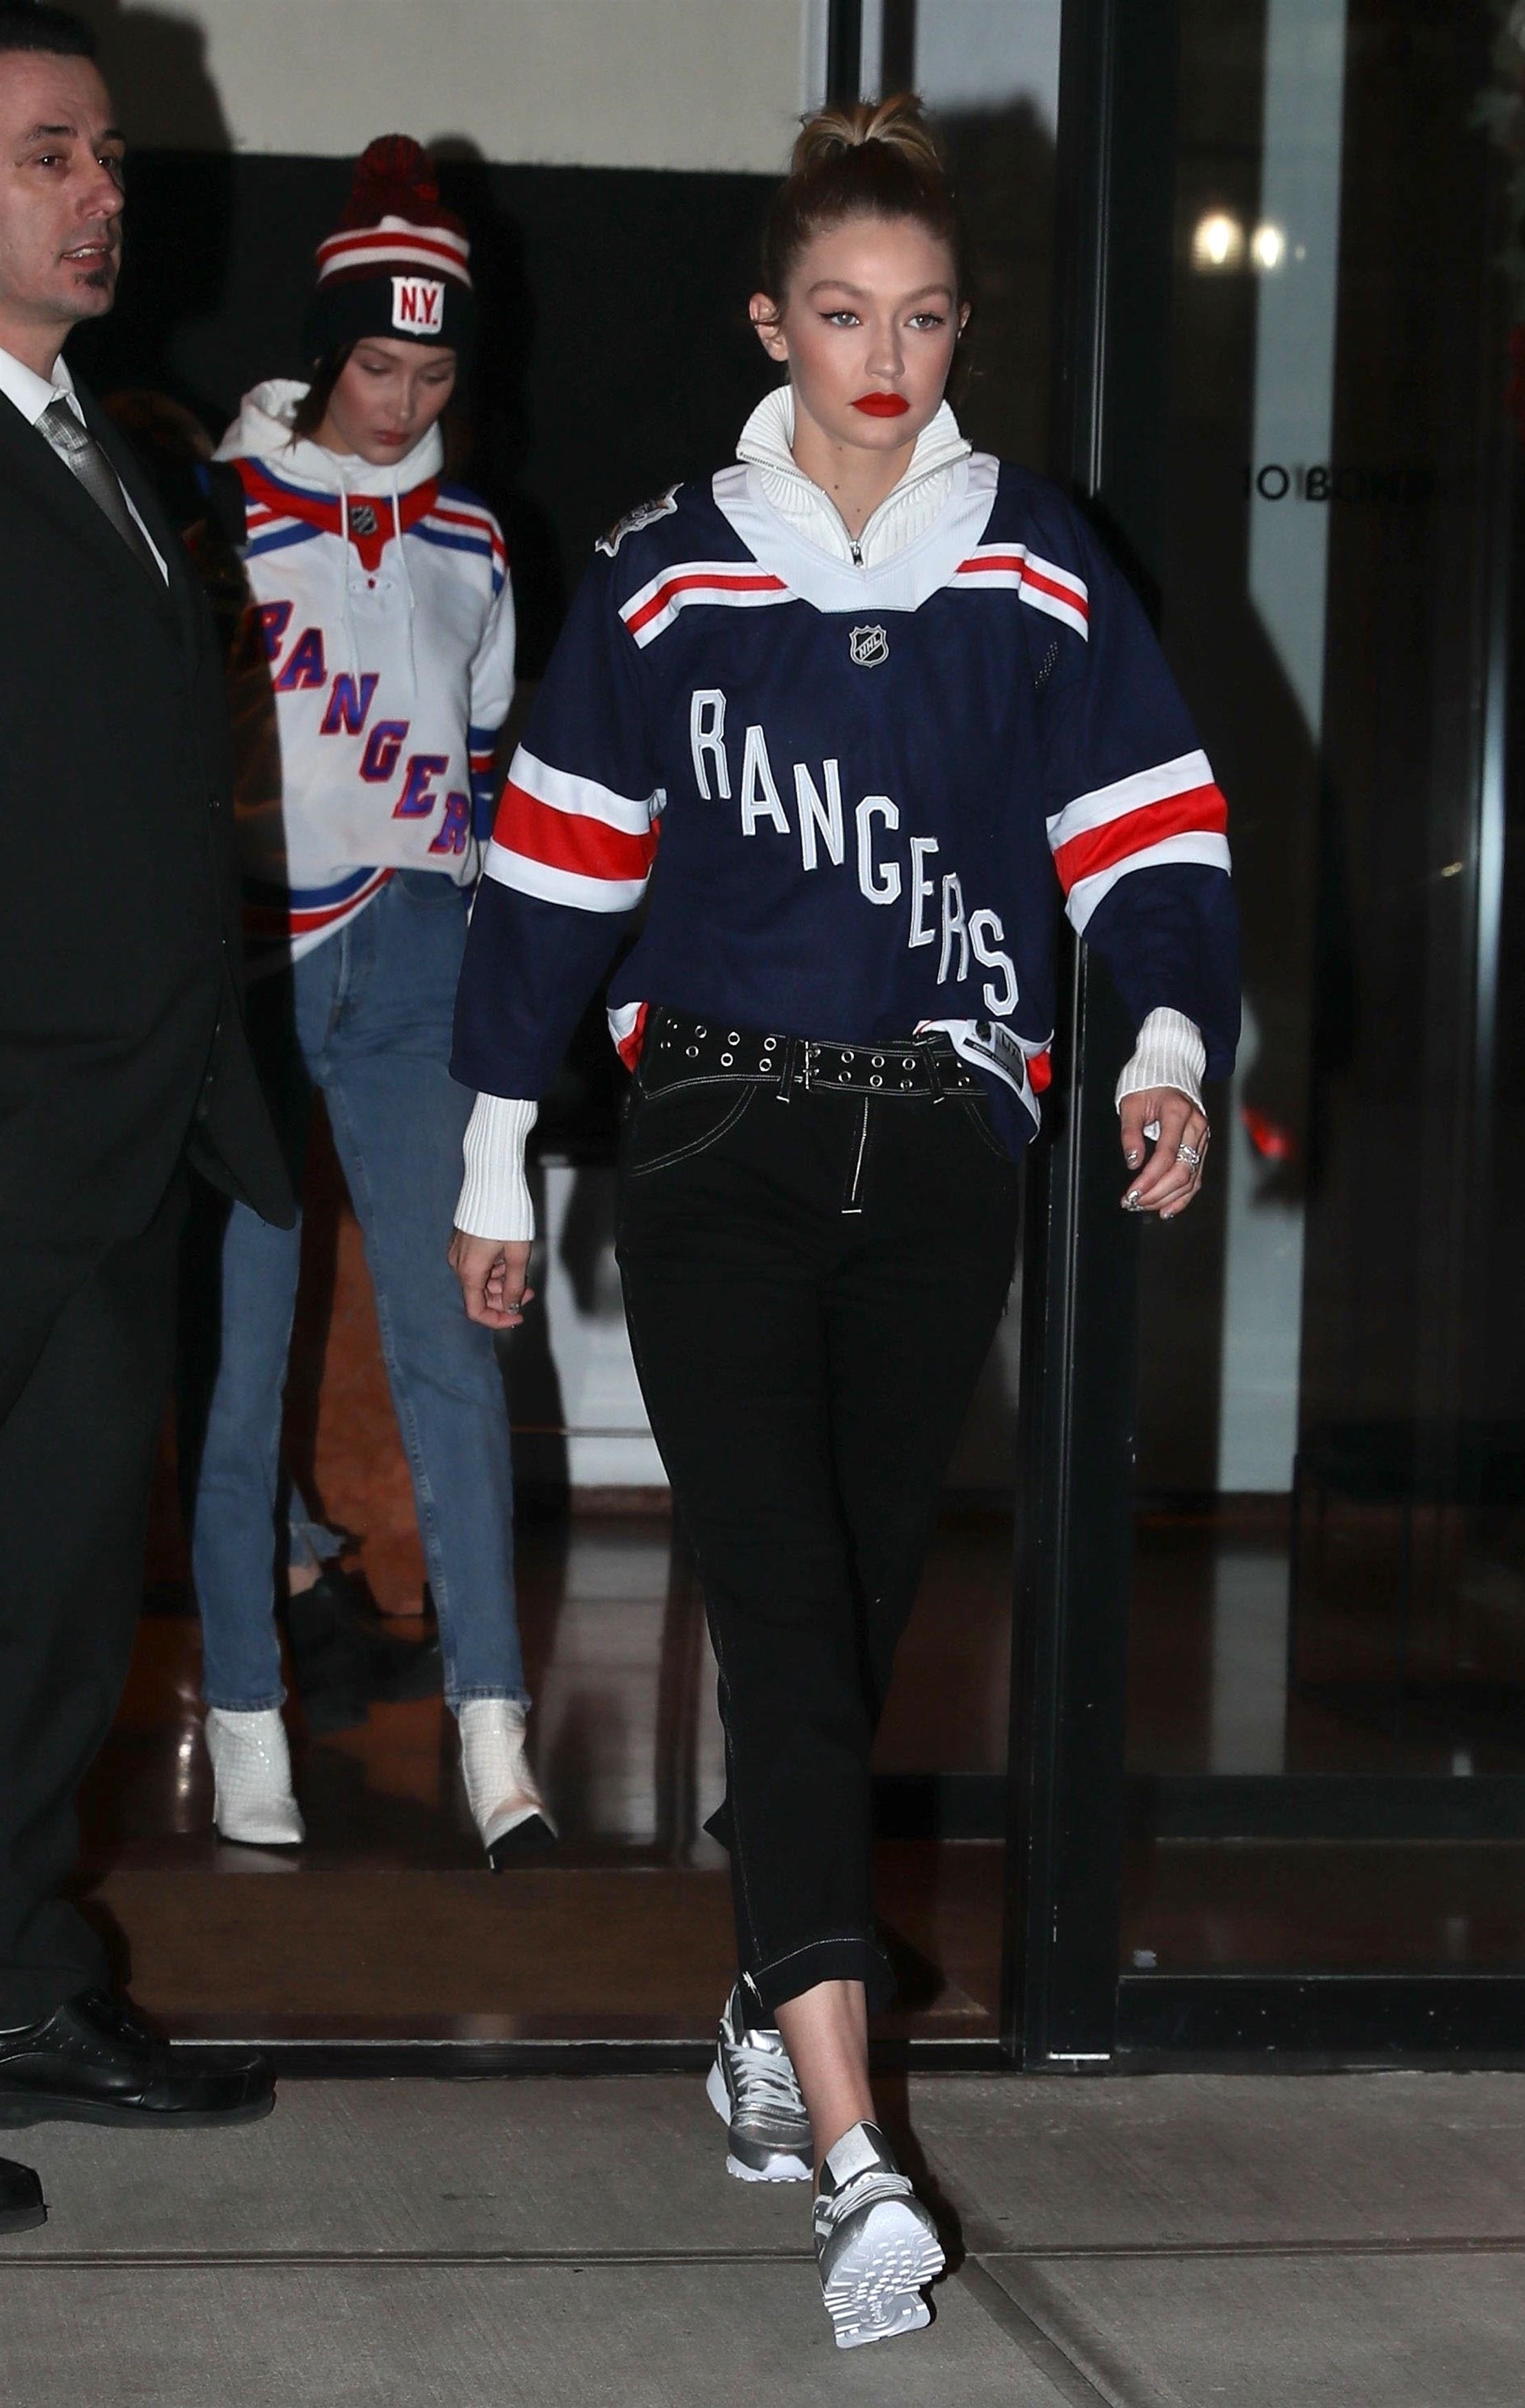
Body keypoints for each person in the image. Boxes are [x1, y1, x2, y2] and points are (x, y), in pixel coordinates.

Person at [449, 97, 1237, 2347]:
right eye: (838, 315)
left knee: (855, 1612)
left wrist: (1162, 1048)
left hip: (946, 1160)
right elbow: (553, 874)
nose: (881, 361)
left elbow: (1145, 834)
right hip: (718, 1145)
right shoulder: (668, 570)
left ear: (961, 326)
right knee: (788, 1628)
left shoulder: (1036, 565)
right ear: (767, 323)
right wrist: (488, 1157)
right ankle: (853, 2146)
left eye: (920, 319)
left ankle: (754, 1997)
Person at [0, 4, 293, 2223]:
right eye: (47, 157)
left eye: (105, 155)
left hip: (115, 1140)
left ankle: (19, 1986)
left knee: (56, 1594)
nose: (102, 194)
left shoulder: (95, 439)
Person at [188, 136, 554, 1866]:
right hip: (261, 965)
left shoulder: (475, 536)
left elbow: (481, 765)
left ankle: (495, 1723)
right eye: (378, 365)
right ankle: (243, 1713)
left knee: (452, 1349)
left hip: (419, 960)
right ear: (326, 349)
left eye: (435, 373)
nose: (403, 401)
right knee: (240, 1361)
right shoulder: (217, 510)